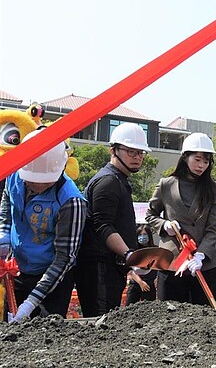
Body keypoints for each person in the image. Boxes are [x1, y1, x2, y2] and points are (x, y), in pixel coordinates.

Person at [0, 129, 87, 322]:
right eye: (30, 181)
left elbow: (64, 257)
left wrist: (31, 303)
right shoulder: (13, 174)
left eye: (43, 183)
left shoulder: (71, 201)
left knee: (43, 332)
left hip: (52, 279)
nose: (34, 186)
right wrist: (4, 232)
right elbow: (8, 201)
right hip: (19, 268)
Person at [74, 122, 152, 316]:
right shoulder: (108, 181)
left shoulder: (118, 180)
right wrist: (128, 254)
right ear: (113, 150)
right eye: (131, 151)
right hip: (99, 267)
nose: (137, 157)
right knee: (100, 321)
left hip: (109, 267)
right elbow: (103, 226)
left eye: (140, 152)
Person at [146, 132, 216, 308]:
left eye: (206, 161)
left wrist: (201, 254)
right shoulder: (166, 184)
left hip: (205, 265)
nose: (201, 165)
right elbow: (151, 215)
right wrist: (165, 225)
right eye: (197, 159)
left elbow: (213, 228)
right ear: (185, 157)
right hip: (172, 262)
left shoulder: (213, 189)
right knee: (170, 317)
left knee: (207, 317)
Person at [125, 224, 158, 305]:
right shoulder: (133, 251)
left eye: (145, 234)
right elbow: (131, 269)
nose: (142, 237)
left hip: (150, 285)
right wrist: (140, 282)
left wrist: (157, 279)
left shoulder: (155, 250)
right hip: (136, 284)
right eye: (140, 235)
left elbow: (159, 267)